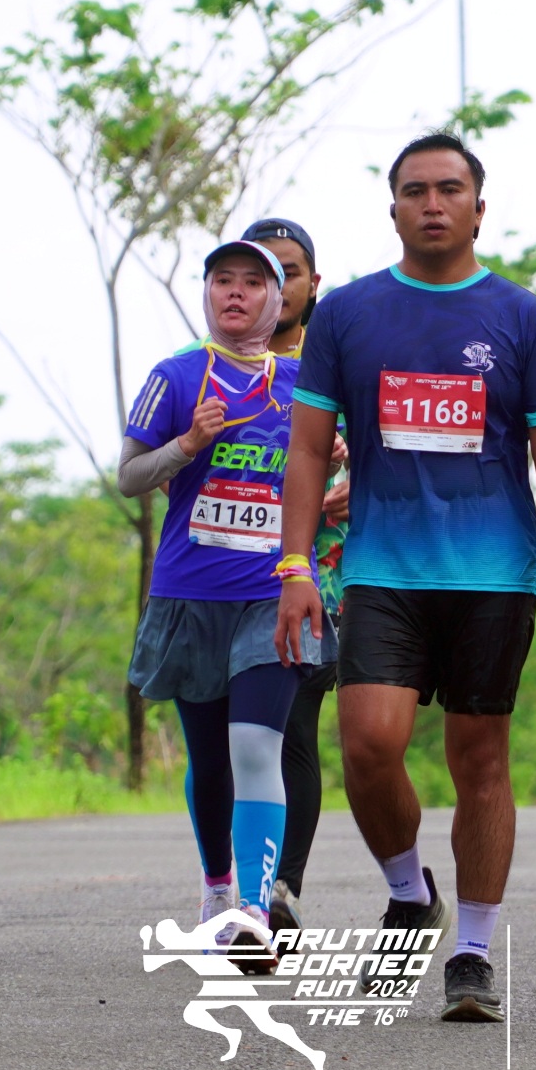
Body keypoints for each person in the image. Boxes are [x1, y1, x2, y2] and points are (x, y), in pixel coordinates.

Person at [275, 133, 536, 1024]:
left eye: (449, 189)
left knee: (478, 758)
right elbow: (307, 450)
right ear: (393, 210)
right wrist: (293, 564)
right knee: (368, 746)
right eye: (415, 190)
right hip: (382, 566)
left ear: (478, 209)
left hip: (493, 573)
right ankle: (409, 894)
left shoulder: (523, 320)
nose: (432, 203)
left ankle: (474, 953)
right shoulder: (348, 315)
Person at [122, 238, 321, 973]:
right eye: (222, 281)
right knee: (210, 759)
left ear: (279, 299)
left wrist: (337, 464)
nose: (234, 293)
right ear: (207, 294)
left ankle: (254, 911)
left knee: (256, 746)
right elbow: (129, 476)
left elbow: (345, 462)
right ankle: (215, 890)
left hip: (274, 596)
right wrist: (186, 444)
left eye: (252, 283)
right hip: (190, 595)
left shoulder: (304, 384)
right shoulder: (175, 376)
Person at [236, 218, 350, 938]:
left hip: (319, 575)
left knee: (293, 726)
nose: (278, 286)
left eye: (291, 271)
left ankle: (281, 892)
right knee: (236, 738)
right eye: (262, 273)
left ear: (313, 284)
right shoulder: (214, 364)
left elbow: (384, 439)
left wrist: (356, 478)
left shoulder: (338, 357)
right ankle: (232, 886)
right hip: (230, 573)